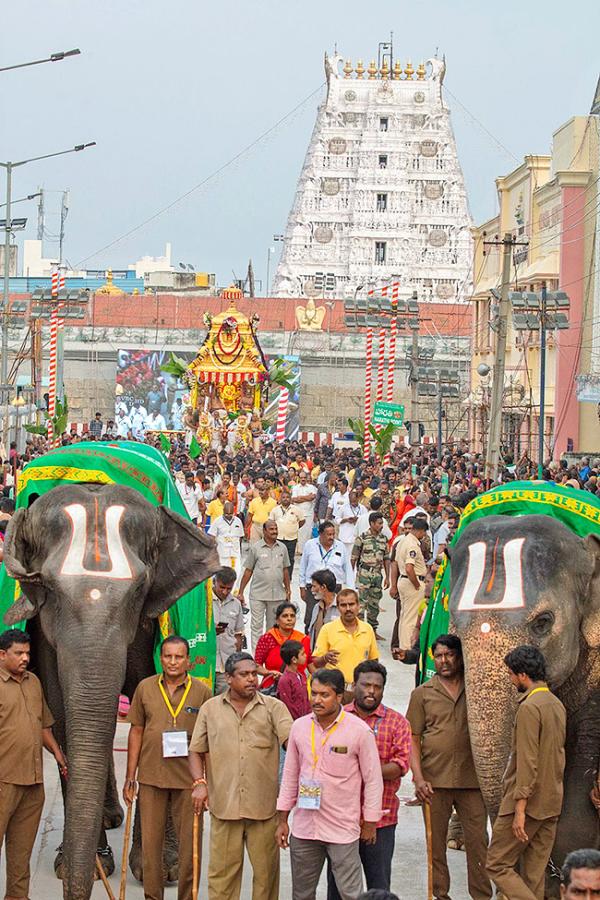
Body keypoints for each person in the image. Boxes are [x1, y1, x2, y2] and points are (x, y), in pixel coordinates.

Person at [189, 652, 293, 900]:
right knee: (221, 881)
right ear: (229, 678)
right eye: (244, 675)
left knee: (266, 880)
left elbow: (293, 744)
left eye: (254, 674)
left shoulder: (274, 708)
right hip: (224, 809)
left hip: (264, 811)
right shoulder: (210, 709)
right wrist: (200, 783)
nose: (251, 680)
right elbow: (196, 750)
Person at [276, 667, 383, 900]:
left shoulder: (359, 731)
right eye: (313, 693)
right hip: (305, 828)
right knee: (302, 894)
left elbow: (373, 780)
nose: (317, 700)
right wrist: (283, 819)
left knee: (351, 894)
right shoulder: (299, 727)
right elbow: (290, 775)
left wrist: (371, 822)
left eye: (324, 695)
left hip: (342, 829)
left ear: (339, 697)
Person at [124, 635, 211, 900]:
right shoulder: (145, 688)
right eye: (168, 656)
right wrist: (131, 777)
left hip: (189, 781)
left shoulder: (203, 691)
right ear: (160, 658)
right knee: (151, 847)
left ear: (188, 661)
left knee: (189, 847)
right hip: (152, 777)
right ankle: (153, 896)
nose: (173, 662)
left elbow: (209, 739)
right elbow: (136, 731)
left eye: (178, 657)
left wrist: (205, 782)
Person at [406, 634, 492, 900]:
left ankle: (481, 896)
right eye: (439, 655)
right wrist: (418, 778)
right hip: (434, 782)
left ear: (460, 656)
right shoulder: (422, 694)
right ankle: (439, 895)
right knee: (436, 846)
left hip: (472, 781)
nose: (444, 660)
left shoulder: (477, 689)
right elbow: (413, 738)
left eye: (449, 654)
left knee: (478, 844)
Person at [487, 645, 566, 900]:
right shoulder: (556, 704)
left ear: (522, 675)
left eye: (511, 674)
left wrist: (519, 809)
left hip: (528, 803)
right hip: (551, 803)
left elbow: (527, 761)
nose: (510, 680)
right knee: (534, 874)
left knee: (497, 864)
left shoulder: (530, 707)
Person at [327, 660, 411, 898]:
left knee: (379, 886)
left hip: (382, 819)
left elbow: (400, 765)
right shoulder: (337, 719)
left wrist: (359, 771)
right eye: (366, 685)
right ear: (355, 686)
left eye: (378, 686)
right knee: (339, 887)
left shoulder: (397, 722)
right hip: (341, 819)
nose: (372, 691)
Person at [0, 629, 67, 900]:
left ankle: (17, 896)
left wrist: (59, 755)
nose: (25, 658)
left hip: (33, 782)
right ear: (2, 655)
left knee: (21, 852)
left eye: (27, 653)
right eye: (19, 653)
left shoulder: (33, 682)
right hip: (3, 781)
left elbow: (42, 726)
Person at [313, 589, 379, 702]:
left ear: (359, 606)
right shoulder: (328, 629)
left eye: (351, 604)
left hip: (361, 691)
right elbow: (315, 661)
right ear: (338, 608)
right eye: (343, 605)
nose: (348, 609)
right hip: (335, 691)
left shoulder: (367, 629)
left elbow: (374, 660)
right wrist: (325, 658)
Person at [238, 521, 291, 650]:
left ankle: (269, 655)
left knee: (273, 628)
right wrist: (240, 592)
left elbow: (285, 570)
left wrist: (288, 589)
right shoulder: (255, 548)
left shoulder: (282, 548)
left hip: (277, 594)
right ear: (264, 531)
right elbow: (248, 571)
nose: (274, 531)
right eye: (271, 529)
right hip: (258, 595)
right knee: (256, 626)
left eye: (276, 529)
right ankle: (257, 658)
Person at [299, 521, 354, 632]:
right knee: (311, 617)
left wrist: (351, 590)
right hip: (314, 588)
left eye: (333, 534)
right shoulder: (310, 545)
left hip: (334, 588)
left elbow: (348, 569)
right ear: (320, 534)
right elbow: (303, 566)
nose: (332, 537)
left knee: (334, 618)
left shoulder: (340, 546)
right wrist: (302, 586)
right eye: (328, 534)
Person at [255, 601, 312, 691]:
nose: (289, 619)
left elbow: (310, 664)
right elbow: (257, 665)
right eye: (285, 616)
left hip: (298, 687)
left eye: (292, 616)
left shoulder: (303, 639)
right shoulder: (267, 638)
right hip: (272, 687)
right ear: (277, 620)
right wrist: (269, 673)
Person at [352, 512, 390, 641]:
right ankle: (360, 631)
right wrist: (352, 577)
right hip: (364, 574)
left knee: (374, 604)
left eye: (382, 523)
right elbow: (354, 558)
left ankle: (373, 630)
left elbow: (386, 559)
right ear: (372, 523)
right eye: (379, 523)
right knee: (362, 604)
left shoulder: (384, 539)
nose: (381, 526)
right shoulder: (362, 538)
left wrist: (388, 577)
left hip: (377, 575)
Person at [392, 515, 427, 652]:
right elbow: (409, 567)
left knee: (404, 615)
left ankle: (402, 645)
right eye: (423, 532)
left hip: (404, 580)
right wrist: (417, 584)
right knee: (411, 618)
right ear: (420, 531)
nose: (423, 535)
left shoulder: (403, 541)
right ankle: (407, 647)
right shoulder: (412, 544)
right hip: (412, 581)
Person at [212, 567, 245, 694]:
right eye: (222, 587)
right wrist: (210, 631)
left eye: (229, 588)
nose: (225, 592)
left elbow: (238, 634)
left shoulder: (236, 604)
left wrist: (237, 660)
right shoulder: (204, 601)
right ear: (215, 582)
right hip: (206, 662)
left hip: (226, 664)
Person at [269, 488, 304, 576]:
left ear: (290, 498)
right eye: (283, 497)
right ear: (280, 499)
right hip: (278, 538)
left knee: (290, 559)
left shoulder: (296, 509)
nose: (285, 499)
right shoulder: (275, 510)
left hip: (291, 538)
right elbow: (270, 522)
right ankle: (277, 576)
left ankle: (288, 578)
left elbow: (302, 521)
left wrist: (293, 528)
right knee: (277, 558)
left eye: (287, 497)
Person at [209, 501, 245, 579]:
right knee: (221, 575)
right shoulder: (217, 521)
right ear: (223, 511)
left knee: (236, 574)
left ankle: (234, 590)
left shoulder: (238, 521)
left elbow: (241, 537)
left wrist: (239, 550)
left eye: (230, 514)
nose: (228, 516)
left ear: (233, 512)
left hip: (235, 554)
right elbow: (211, 536)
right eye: (226, 514)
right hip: (222, 554)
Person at [277, 640, 311, 720]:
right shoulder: (285, 680)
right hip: (294, 722)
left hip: (306, 719)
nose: (306, 656)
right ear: (294, 660)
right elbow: (288, 705)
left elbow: (306, 700)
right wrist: (300, 720)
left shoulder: (301, 676)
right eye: (302, 654)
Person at [307, 568, 339, 648]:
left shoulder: (342, 608)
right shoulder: (317, 608)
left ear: (323, 587)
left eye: (314, 586)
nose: (312, 590)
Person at [335, 488, 367, 559]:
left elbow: (366, 520)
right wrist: (346, 520)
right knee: (344, 556)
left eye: (355, 501)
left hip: (357, 537)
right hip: (345, 536)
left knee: (354, 557)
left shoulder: (363, 508)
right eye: (351, 502)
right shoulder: (343, 507)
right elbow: (337, 519)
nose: (353, 503)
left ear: (358, 498)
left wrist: (358, 520)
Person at [291, 469, 317, 553]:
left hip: (309, 514)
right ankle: (299, 550)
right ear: (299, 478)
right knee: (299, 533)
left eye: (304, 477)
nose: (303, 479)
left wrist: (300, 497)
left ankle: (306, 551)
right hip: (298, 514)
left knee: (307, 533)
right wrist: (307, 497)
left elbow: (312, 497)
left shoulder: (311, 487)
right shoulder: (295, 487)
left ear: (307, 478)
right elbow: (294, 499)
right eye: (301, 477)